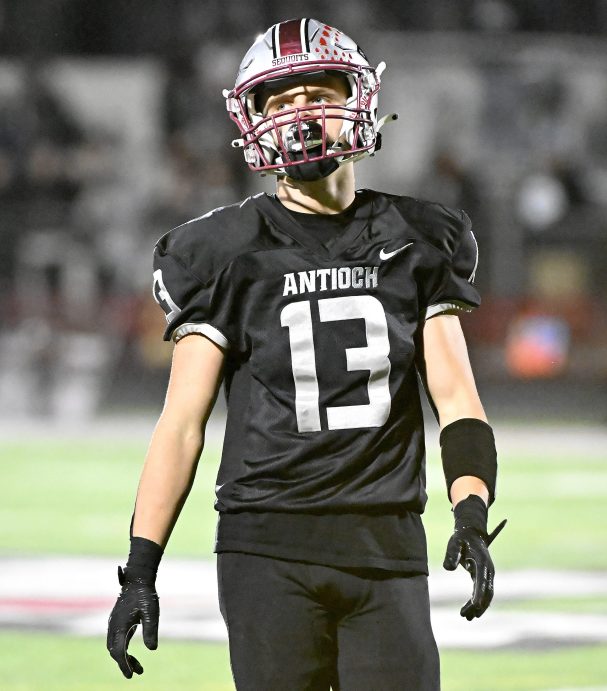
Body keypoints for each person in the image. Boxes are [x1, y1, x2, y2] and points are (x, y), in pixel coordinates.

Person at [107, 18, 506, 690]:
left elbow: (459, 396)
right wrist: (140, 566)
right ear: (251, 118)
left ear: (356, 100)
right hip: (267, 550)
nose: (299, 116)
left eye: (316, 93)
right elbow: (181, 422)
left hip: (387, 543)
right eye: (280, 102)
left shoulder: (418, 237)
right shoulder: (224, 250)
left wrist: (470, 506)